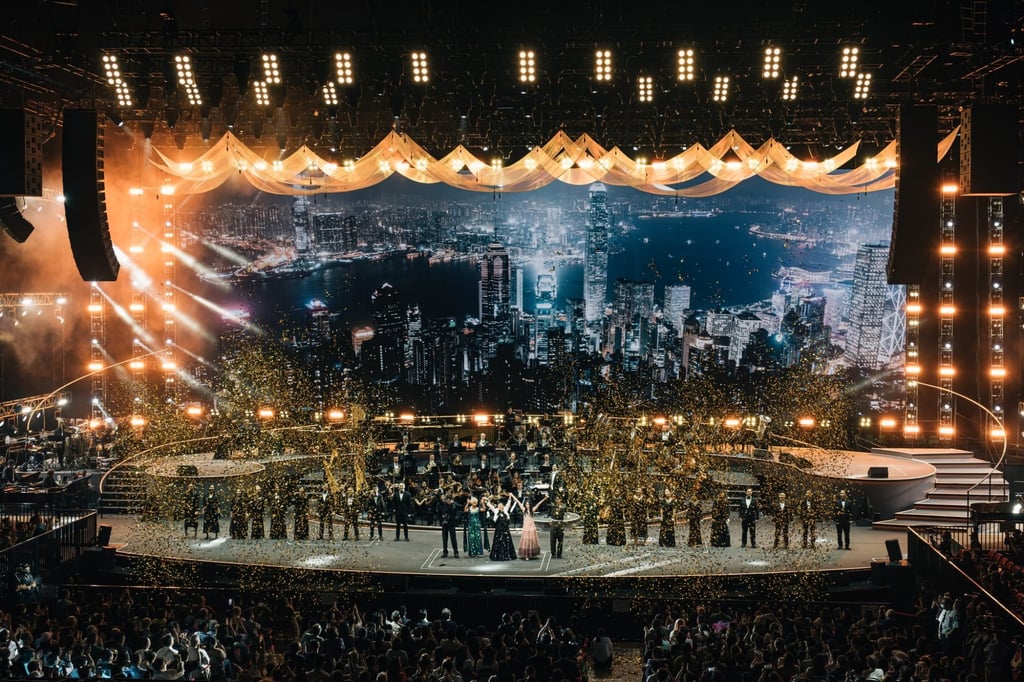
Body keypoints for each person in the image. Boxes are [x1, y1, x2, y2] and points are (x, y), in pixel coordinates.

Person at [514, 495, 541, 559]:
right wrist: (512, 496)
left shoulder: (532, 510)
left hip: (531, 527)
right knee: (526, 541)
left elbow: (539, 504)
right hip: (526, 528)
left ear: (530, 505)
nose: (527, 505)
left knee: (531, 541)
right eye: (526, 504)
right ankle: (526, 555)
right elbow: (518, 502)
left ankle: (531, 554)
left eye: (528, 504)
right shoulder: (524, 510)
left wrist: (545, 498)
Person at [438, 491, 460, 558]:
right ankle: (445, 552)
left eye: (449, 500)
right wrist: (442, 519)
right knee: (444, 539)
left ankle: (456, 552)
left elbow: (457, 509)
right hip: (445, 523)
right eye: (447, 500)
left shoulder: (454, 505)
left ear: (451, 500)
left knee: (453, 538)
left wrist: (452, 504)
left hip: (451, 523)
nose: (448, 501)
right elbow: (442, 512)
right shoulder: (443, 505)